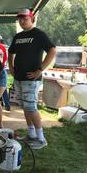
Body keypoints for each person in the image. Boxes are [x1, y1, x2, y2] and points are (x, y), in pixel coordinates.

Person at [8, 8, 56, 150]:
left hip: (31, 79)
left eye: (25, 18)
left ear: (32, 18)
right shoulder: (18, 36)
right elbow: (10, 52)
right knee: (24, 106)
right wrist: (11, 67)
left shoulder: (39, 34)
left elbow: (53, 50)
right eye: (20, 19)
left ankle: (41, 138)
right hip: (19, 78)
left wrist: (40, 69)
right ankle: (31, 134)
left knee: (30, 107)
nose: (22, 21)